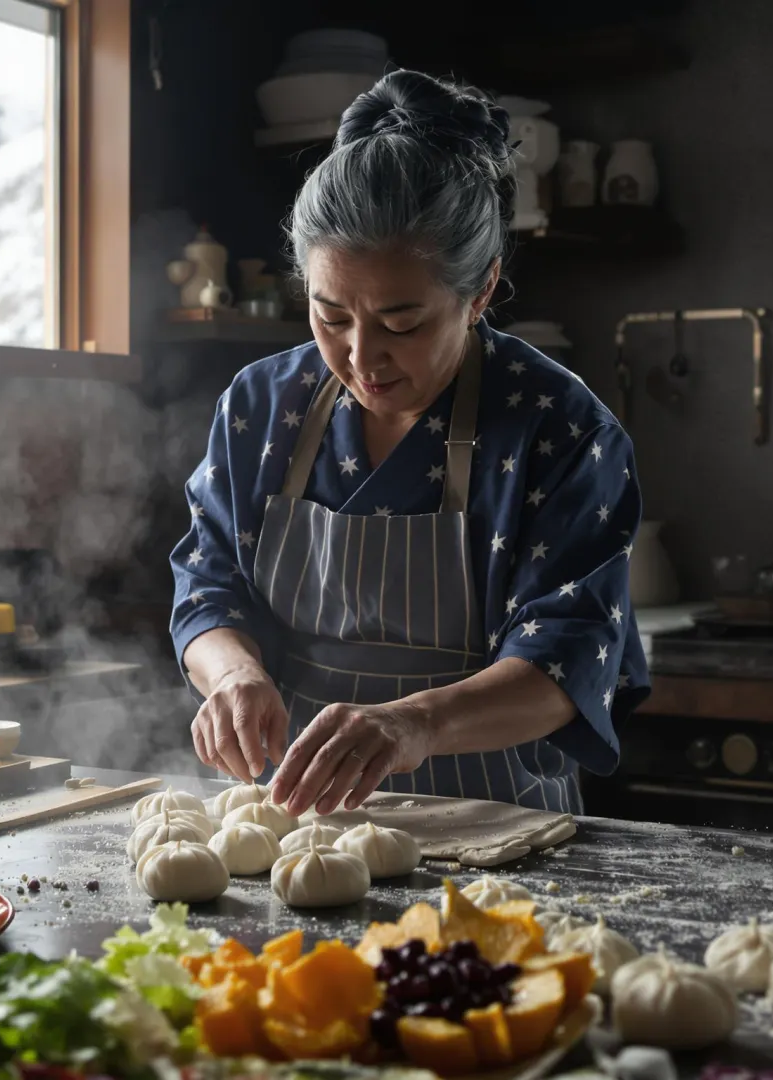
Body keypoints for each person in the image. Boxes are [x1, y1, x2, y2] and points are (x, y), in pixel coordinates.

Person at [169, 70, 649, 820]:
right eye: (331, 317)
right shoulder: (262, 408)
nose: (363, 358)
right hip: (294, 832)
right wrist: (232, 675)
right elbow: (207, 585)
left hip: (497, 837)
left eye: (403, 324)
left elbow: (566, 661)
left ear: (481, 290)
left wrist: (413, 723)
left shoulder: (558, 430)